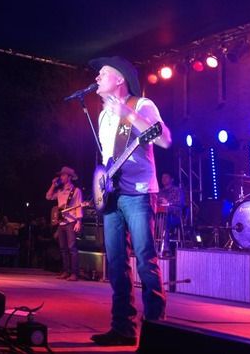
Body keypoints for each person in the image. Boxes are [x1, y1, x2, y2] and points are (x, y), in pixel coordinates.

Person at [89, 56, 172, 347]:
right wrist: (101, 183)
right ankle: (122, 328)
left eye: (103, 73)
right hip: (112, 195)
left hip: (138, 193)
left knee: (146, 260)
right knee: (116, 264)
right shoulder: (102, 115)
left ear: (120, 78)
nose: (97, 78)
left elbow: (164, 139)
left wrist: (127, 113)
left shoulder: (141, 105)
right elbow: (107, 159)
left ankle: (157, 331)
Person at [45, 166, 83, 281]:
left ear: (69, 177)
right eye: (61, 175)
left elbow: (79, 206)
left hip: (71, 222)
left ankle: (74, 273)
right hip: (61, 223)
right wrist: (53, 185)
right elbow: (48, 196)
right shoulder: (60, 191)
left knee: (72, 248)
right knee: (63, 248)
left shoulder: (76, 191)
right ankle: (66, 271)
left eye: (63, 175)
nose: (61, 177)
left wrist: (79, 221)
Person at [156, 172, 185, 256]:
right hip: (160, 216)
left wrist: (168, 203)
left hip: (174, 216)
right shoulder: (160, 191)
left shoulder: (177, 190)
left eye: (166, 177)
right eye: (162, 177)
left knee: (164, 221)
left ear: (172, 179)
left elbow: (181, 204)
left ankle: (166, 248)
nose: (163, 179)